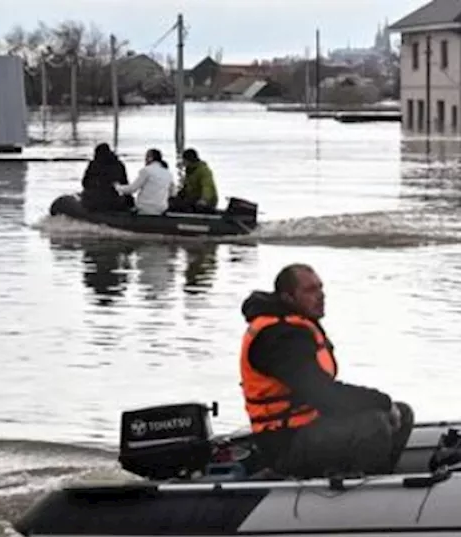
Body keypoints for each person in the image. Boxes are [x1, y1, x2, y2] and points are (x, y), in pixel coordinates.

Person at [238, 263, 414, 479]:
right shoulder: (278, 338)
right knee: (373, 424)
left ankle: (377, 478)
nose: (321, 296)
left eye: (320, 288)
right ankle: (363, 491)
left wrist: (384, 404)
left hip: (308, 425)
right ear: (288, 298)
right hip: (283, 441)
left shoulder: (296, 325)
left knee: (402, 413)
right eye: (310, 291)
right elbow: (323, 395)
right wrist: (382, 401)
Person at [114, 148, 175, 216]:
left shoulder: (146, 171)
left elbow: (132, 189)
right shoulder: (168, 174)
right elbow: (172, 193)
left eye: (146, 157)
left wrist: (117, 187)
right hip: (161, 209)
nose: (145, 160)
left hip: (145, 208)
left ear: (150, 158)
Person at [80, 143, 132, 212]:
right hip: (114, 201)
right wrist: (130, 202)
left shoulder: (94, 164)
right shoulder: (119, 165)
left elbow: (85, 183)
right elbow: (125, 185)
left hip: (95, 202)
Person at [169, 148, 218, 213]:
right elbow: (187, 187)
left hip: (205, 201)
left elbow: (207, 187)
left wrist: (204, 200)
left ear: (188, 160)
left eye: (184, 160)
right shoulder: (190, 170)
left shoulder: (203, 170)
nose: (183, 162)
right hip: (192, 198)